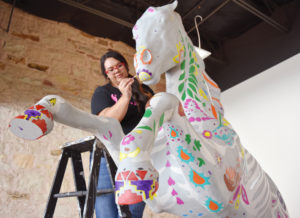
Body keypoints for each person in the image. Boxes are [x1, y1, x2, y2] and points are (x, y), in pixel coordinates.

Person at [91, 50, 154, 218]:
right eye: (110, 69)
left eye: (119, 65)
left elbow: (154, 117)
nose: (116, 70)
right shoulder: (102, 93)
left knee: (134, 206)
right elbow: (106, 123)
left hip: (137, 154)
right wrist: (125, 97)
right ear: (106, 74)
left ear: (125, 66)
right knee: (106, 202)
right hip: (108, 152)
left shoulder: (143, 89)